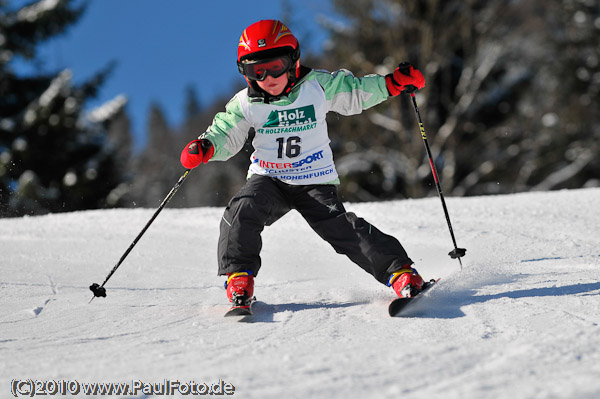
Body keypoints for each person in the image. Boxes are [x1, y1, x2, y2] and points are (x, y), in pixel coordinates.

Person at [180, 20, 427, 307]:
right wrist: (207, 146)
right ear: (245, 73)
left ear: (293, 61)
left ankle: (400, 273)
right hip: (268, 177)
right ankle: (239, 278)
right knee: (243, 209)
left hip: (314, 177)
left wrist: (391, 84)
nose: (268, 77)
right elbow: (226, 132)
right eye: (256, 71)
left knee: (341, 228)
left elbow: (355, 92)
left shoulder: (317, 86)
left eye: (276, 66)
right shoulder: (246, 102)